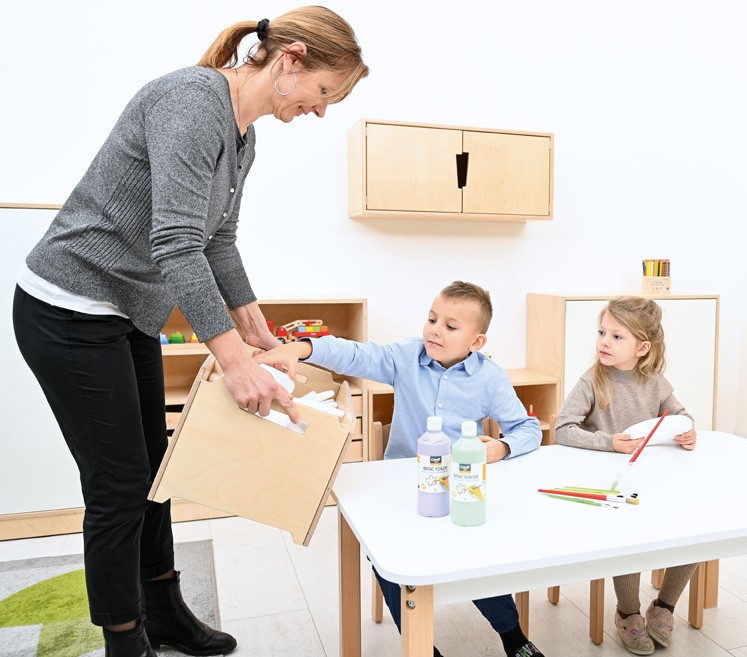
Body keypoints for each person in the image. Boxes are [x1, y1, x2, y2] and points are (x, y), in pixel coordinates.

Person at [12, 8, 367, 657]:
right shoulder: (191, 100)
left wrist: (255, 329)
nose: (320, 112)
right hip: (67, 309)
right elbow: (175, 241)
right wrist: (233, 362)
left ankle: (165, 609)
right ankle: (125, 638)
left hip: (127, 313)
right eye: (324, 94)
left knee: (157, 471)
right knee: (118, 485)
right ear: (290, 60)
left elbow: (217, 241)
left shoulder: (243, 135)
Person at [256, 280, 545, 657]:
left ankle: (514, 638)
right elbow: (354, 354)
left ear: (477, 342)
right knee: (386, 555)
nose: (435, 330)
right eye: (432, 318)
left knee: (476, 552)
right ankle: (422, 645)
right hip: (401, 486)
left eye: (450, 326)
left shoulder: (490, 378)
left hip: (461, 487)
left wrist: (502, 447)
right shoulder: (406, 357)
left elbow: (527, 428)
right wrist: (301, 347)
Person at [553, 296, 697, 655]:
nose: (604, 341)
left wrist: (687, 431)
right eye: (602, 332)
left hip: (653, 480)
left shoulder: (656, 383)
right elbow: (562, 428)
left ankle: (664, 605)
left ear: (642, 348)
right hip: (610, 485)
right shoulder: (592, 381)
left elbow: (681, 417)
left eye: (617, 336)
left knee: (696, 529)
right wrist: (608, 443)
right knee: (628, 538)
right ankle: (628, 613)